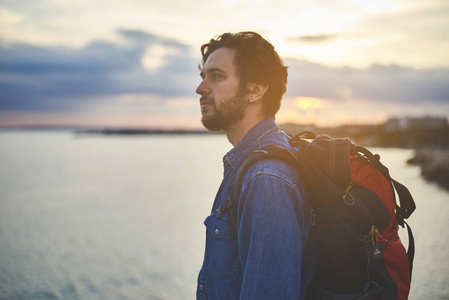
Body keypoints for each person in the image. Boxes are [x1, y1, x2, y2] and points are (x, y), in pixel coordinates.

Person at [196, 32, 316, 300]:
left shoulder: (266, 178)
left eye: (216, 76)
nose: (201, 88)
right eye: (203, 76)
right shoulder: (251, 164)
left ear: (255, 89)